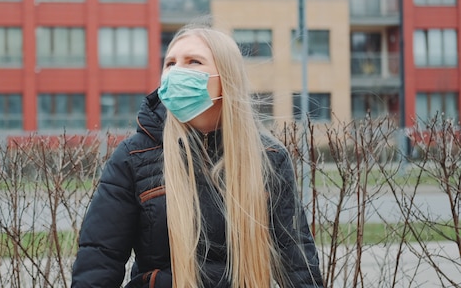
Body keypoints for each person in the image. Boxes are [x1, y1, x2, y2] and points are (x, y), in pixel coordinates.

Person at [71, 25, 324, 287]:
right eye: (170, 63)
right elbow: (99, 260)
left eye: (193, 61)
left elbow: (297, 266)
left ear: (225, 78)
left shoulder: (269, 159)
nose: (177, 71)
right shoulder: (134, 156)